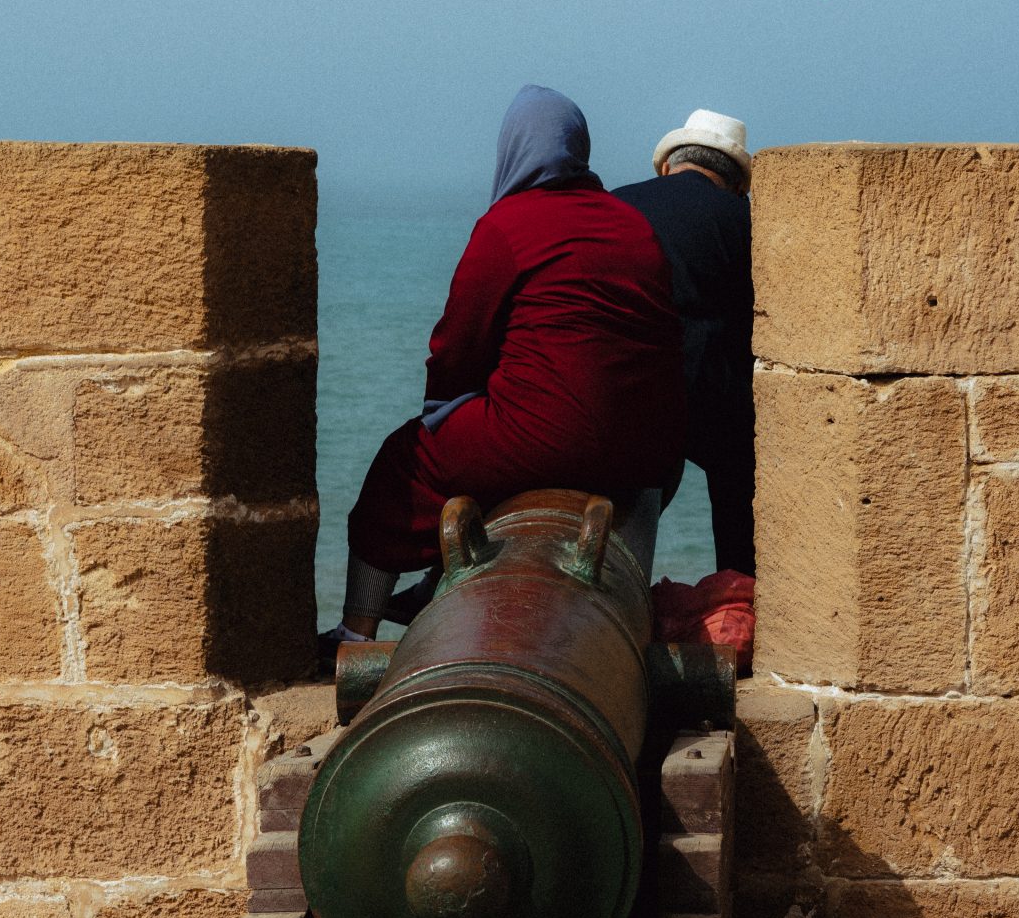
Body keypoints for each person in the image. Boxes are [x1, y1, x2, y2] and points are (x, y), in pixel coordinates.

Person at [321, 85, 686, 659]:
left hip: (544, 438)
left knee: (402, 464)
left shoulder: (508, 227)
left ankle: (355, 634)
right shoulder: (632, 225)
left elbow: (456, 345)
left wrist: (444, 411)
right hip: (645, 453)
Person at [613, 109, 755, 576]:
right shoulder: (744, 218)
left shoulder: (617, 206)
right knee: (741, 479)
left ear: (668, 165)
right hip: (715, 392)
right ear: (734, 182)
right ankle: (739, 589)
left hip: (629, 385)